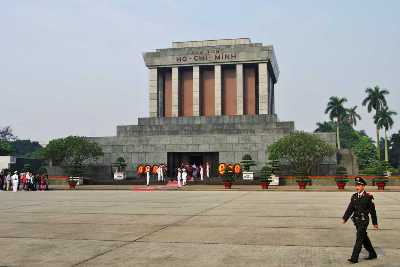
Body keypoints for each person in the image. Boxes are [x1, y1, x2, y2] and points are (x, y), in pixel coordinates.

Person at [342, 177, 378, 264]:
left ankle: (354, 258)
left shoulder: (368, 197)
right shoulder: (354, 196)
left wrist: (375, 223)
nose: (357, 187)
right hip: (356, 221)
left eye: (359, 185)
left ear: (363, 186)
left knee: (359, 238)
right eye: (356, 185)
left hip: (364, 221)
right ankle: (373, 253)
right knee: (364, 237)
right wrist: (345, 218)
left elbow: (373, 211)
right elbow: (350, 208)